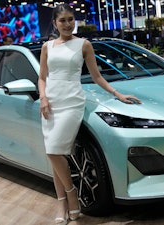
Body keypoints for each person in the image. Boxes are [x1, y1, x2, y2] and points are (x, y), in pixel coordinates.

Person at [38, 4, 141, 225]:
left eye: (70, 19)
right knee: (53, 153)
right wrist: (43, 98)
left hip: (72, 102)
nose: (67, 24)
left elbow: (97, 77)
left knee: (55, 151)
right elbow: (42, 77)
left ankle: (71, 193)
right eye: (62, 20)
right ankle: (62, 201)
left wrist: (117, 93)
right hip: (51, 105)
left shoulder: (84, 45)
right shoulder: (47, 47)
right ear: (55, 23)